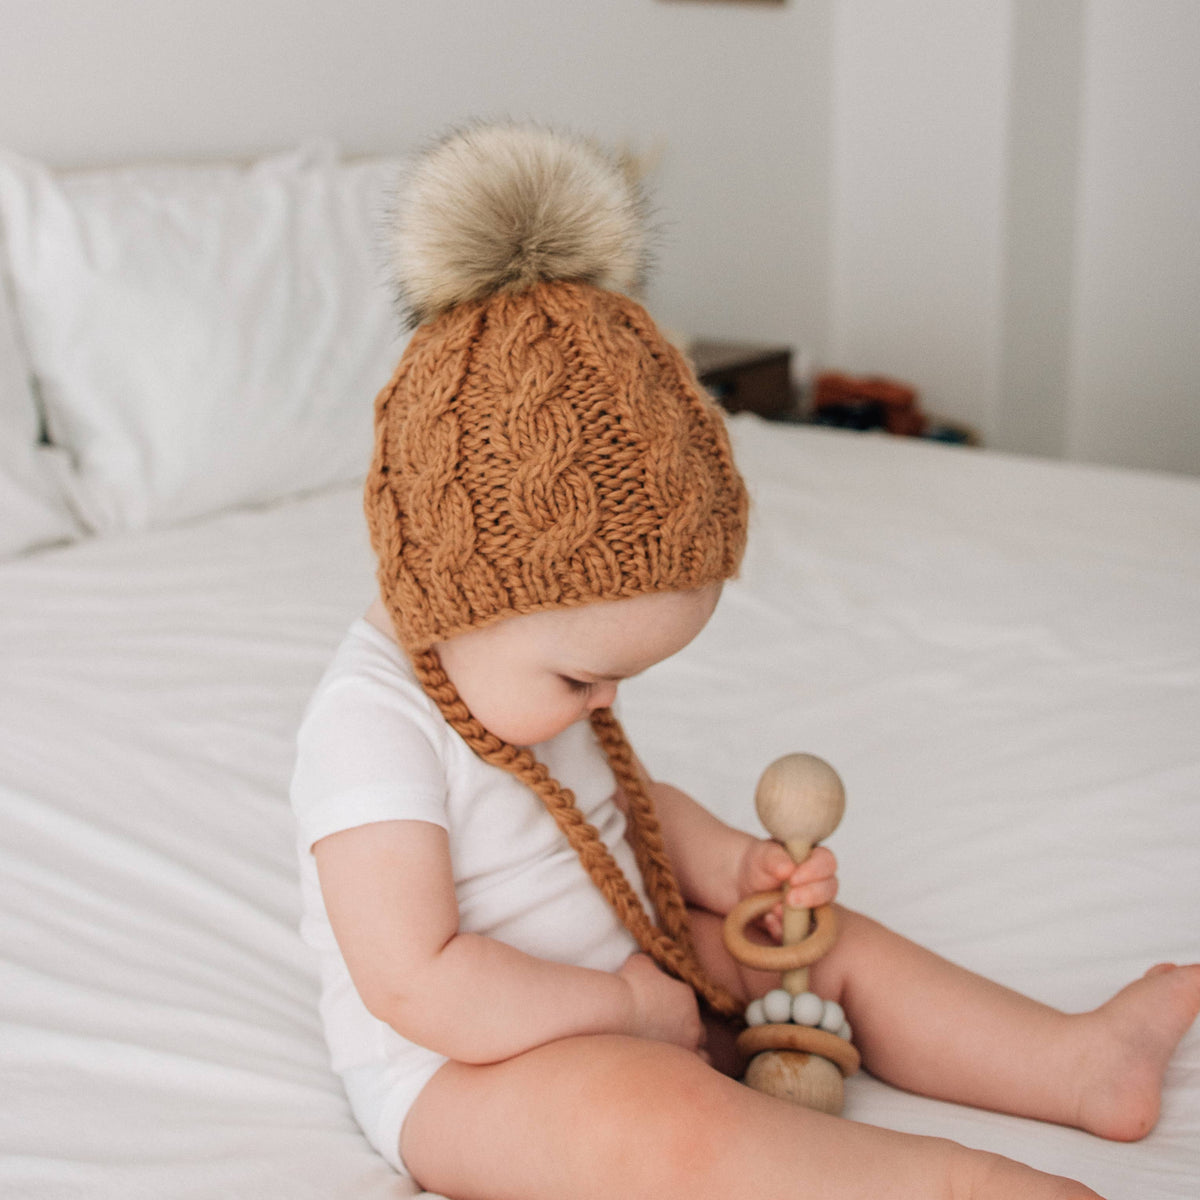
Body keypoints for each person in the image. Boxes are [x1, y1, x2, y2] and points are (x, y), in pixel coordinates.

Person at [290, 123, 1200, 1199]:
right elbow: (417, 983)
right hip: (467, 1066)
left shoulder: (512, 669)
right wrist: (622, 1012)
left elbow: (616, 809)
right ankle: (940, 1184)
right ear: (452, 599)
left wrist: (727, 870)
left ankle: (1076, 1062)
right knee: (659, 1122)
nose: (606, 701)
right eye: (584, 681)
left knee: (815, 945)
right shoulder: (370, 727)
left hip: (636, 973)